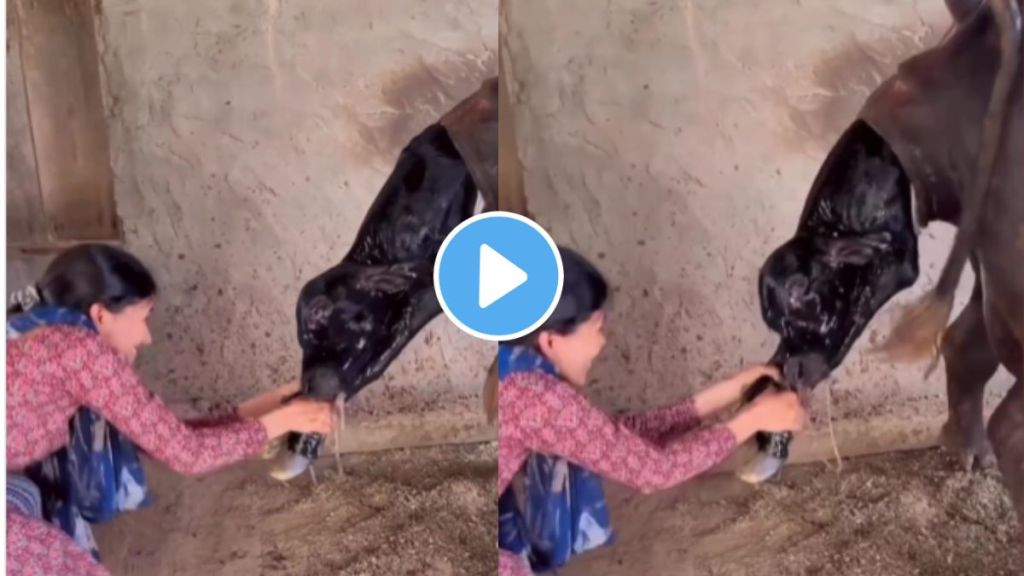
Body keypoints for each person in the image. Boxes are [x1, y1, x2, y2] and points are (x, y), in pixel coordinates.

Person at [6, 244, 337, 575]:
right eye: (143, 317)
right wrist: (288, 419)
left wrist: (277, 403)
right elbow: (187, 453)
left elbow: (163, 432)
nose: (147, 336)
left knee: (29, 503)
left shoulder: (45, 331)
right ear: (101, 315)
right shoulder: (82, 353)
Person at [497, 246, 807, 576]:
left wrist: (730, 391)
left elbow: (608, 436)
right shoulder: (540, 399)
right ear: (551, 342)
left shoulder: (513, 361)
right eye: (598, 327)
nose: (603, 342)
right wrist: (755, 419)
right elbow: (653, 470)